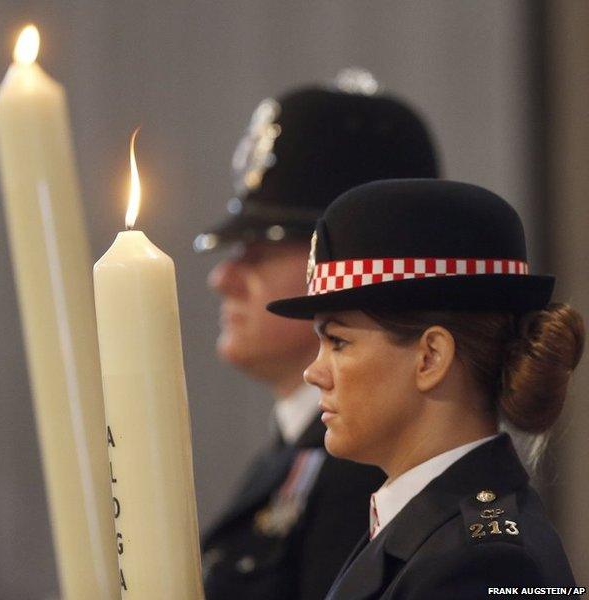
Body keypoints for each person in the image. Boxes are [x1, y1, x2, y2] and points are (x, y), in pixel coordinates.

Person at [267, 178, 585, 599]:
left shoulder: (485, 564)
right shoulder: (425, 531)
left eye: (339, 342)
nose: (314, 372)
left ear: (431, 357)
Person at [194, 71, 439, 599]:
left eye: (259, 251)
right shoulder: (298, 453)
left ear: (349, 265)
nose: (223, 277)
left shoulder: (364, 469)